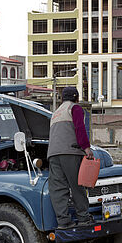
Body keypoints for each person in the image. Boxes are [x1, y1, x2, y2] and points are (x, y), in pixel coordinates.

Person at [47, 87, 94, 229]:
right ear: (77, 98)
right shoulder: (75, 108)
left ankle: (63, 221)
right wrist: (86, 147)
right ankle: (84, 218)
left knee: (59, 189)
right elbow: (80, 128)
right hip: (71, 152)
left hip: (53, 154)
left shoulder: (55, 113)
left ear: (62, 99)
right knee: (77, 185)